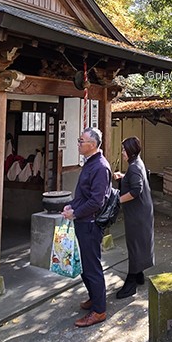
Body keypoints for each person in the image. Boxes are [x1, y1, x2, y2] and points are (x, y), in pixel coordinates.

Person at [62, 127, 113, 327]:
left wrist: (75, 212)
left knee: (92, 267)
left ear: (92, 145)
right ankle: (94, 297)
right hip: (82, 222)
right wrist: (71, 206)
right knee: (85, 265)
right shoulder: (90, 163)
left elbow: (96, 202)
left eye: (81, 141)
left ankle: (99, 311)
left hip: (91, 224)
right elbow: (83, 196)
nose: (78, 143)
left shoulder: (100, 167)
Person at [114, 136, 154, 299]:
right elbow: (135, 181)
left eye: (124, 149)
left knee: (135, 244)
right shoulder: (136, 163)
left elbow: (136, 190)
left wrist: (116, 200)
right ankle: (139, 275)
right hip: (142, 211)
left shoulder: (134, 167)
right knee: (139, 243)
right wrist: (123, 177)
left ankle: (131, 282)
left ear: (130, 151)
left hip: (138, 214)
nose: (122, 152)